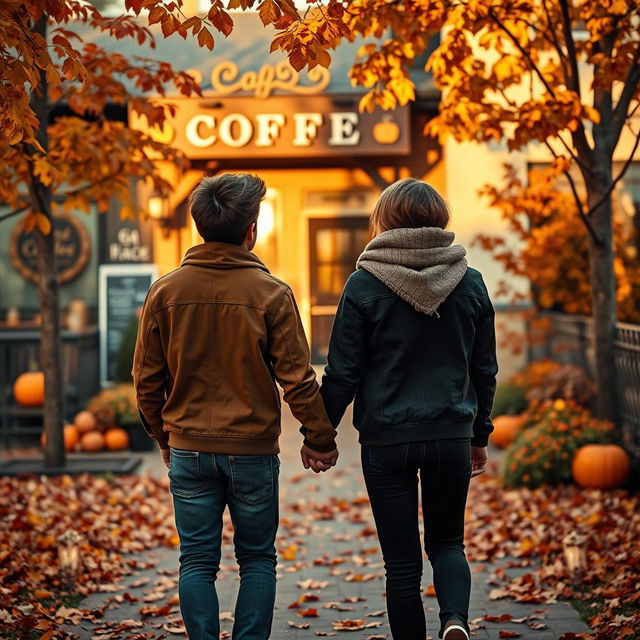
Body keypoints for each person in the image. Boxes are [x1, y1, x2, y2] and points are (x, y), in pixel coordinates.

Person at [132, 172, 339, 640]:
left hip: (188, 450)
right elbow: (298, 380)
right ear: (252, 229)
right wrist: (321, 439)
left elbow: (146, 381)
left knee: (197, 561)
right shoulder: (271, 294)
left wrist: (165, 440)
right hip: (252, 452)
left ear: (199, 226)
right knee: (258, 560)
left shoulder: (165, 292)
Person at [320, 178, 498, 640]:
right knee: (448, 543)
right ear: (439, 219)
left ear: (385, 220)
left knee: (400, 563)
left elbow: (342, 372)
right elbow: (485, 369)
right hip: (450, 435)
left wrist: (318, 437)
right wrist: (479, 435)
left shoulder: (363, 284)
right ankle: (455, 621)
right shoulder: (471, 281)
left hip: (386, 440)